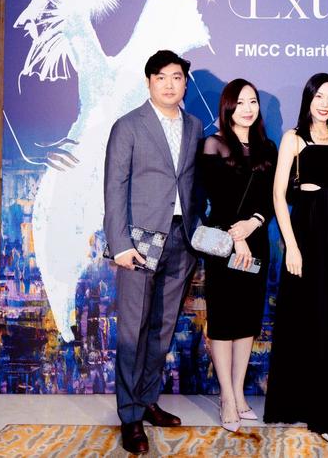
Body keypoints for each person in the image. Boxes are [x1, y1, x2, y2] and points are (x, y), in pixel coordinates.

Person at [11, 0, 208, 345]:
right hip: (76, 175)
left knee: (154, 315)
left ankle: (143, 383)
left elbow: (197, 101)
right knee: (82, 317)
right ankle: (112, 383)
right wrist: (39, 146)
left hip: (151, 183)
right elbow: (28, 88)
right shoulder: (70, 10)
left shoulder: (173, 8)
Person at [103, 50, 204, 455]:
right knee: (134, 330)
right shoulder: (128, 126)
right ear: (148, 82)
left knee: (162, 328)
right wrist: (120, 245)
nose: (168, 84)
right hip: (140, 242)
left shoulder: (194, 126)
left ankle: (147, 400)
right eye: (160, 77)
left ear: (185, 83)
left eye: (176, 77)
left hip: (182, 238)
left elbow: (194, 183)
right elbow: (114, 187)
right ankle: (129, 417)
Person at [263, 73, 328, 445]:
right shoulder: (293, 138)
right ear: (308, 98)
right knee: (307, 319)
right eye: (319, 96)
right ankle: (316, 412)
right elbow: (278, 196)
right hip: (304, 233)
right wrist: (291, 246)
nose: (325, 103)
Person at [198, 80, 277, 433]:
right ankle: (227, 397)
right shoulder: (213, 144)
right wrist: (236, 236)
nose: (248, 108)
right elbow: (215, 197)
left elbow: (271, 199)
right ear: (228, 107)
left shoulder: (267, 148)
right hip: (222, 244)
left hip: (256, 241)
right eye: (240, 102)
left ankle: (240, 392)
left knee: (247, 320)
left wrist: (252, 224)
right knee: (223, 320)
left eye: (253, 101)